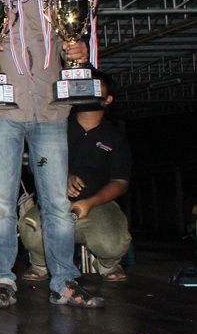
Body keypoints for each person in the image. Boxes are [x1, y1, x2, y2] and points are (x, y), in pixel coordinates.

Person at [0, 0, 104, 309]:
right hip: (0, 111)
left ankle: (64, 281)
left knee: (57, 202)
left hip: (50, 109)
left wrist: (77, 51)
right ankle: (1, 279)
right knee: (0, 202)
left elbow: (70, 43)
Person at [19, 72, 131, 282]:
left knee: (112, 243)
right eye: (84, 86)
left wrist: (91, 202)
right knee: (30, 228)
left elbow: (121, 182)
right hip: (53, 202)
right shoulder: (57, 127)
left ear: (108, 99)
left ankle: (107, 263)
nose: (88, 91)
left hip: (98, 206)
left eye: (95, 87)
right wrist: (62, 176)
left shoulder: (114, 137)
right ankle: (40, 262)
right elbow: (38, 162)